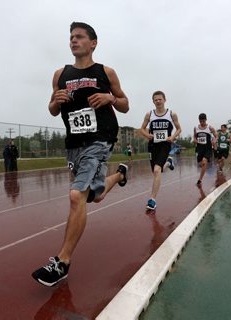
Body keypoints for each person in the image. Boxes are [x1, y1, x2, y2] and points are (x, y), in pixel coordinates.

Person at [32, 22, 129, 287]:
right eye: (71, 37)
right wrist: (55, 101)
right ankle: (120, 174)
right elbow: (52, 109)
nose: (73, 41)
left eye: (79, 37)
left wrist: (110, 99)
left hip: (101, 139)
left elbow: (125, 104)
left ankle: (62, 262)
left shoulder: (105, 72)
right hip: (74, 143)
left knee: (76, 196)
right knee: (93, 196)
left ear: (93, 43)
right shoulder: (60, 74)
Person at [140, 90, 182, 210]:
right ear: (153, 101)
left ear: (164, 100)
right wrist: (146, 135)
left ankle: (152, 200)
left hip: (165, 145)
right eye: (155, 99)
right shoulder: (149, 114)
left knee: (157, 170)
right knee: (156, 171)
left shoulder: (171, 114)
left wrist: (172, 137)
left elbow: (179, 129)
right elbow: (142, 128)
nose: (158, 101)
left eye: (160, 99)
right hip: (153, 146)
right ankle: (169, 163)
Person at [193, 113, 216, 185]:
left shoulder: (210, 127)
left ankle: (200, 180)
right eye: (200, 121)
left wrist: (214, 140)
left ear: (206, 120)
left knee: (204, 161)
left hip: (208, 148)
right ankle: (204, 165)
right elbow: (194, 136)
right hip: (199, 148)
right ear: (199, 120)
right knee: (200, 163)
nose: (202, 123)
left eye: (203, 121)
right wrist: (194, 140)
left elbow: (216, 135)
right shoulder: (196, 128)